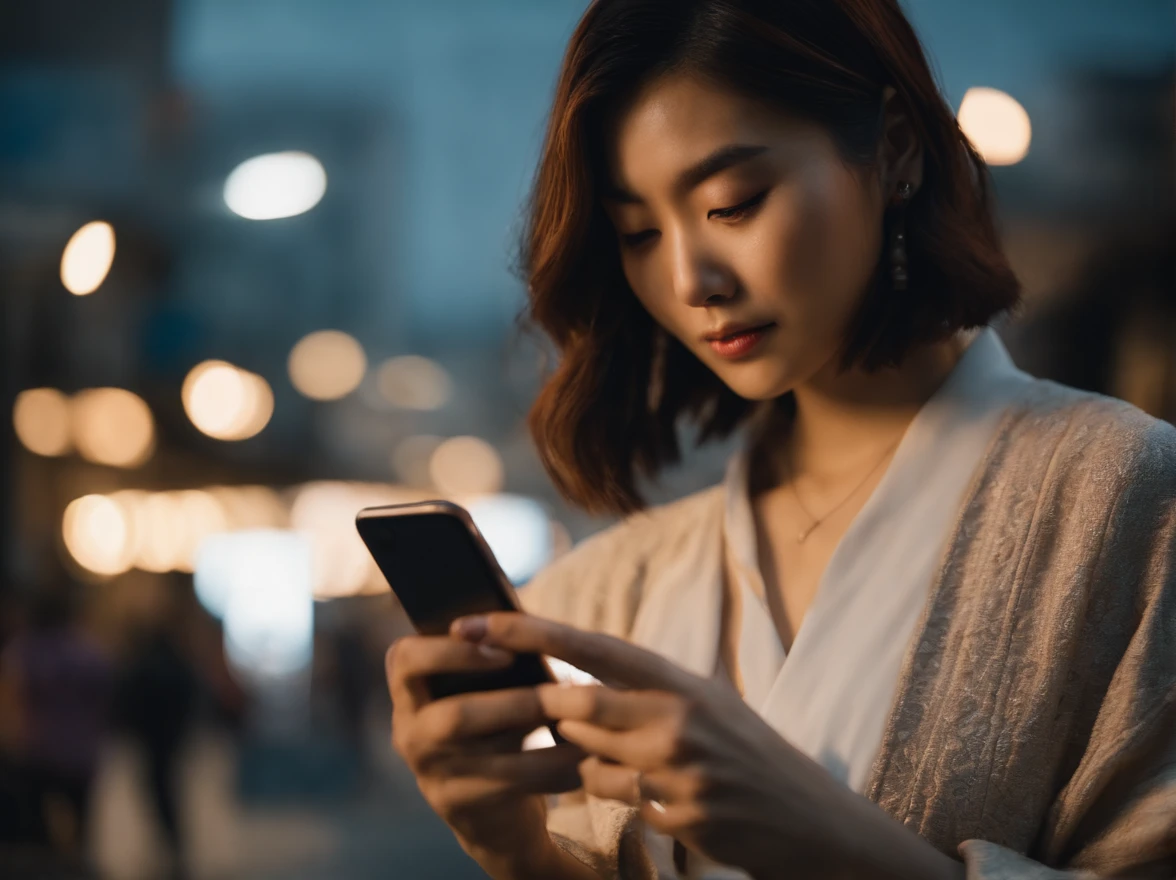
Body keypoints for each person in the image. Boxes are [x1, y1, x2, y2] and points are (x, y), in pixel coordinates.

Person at [385, 1, 1176, 878]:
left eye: (734, 203)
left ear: (897, 149)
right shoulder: (604, 596)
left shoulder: (1124, 498)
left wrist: (826, 837)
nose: (690, 279)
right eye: (638, 233)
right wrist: (520, 851)